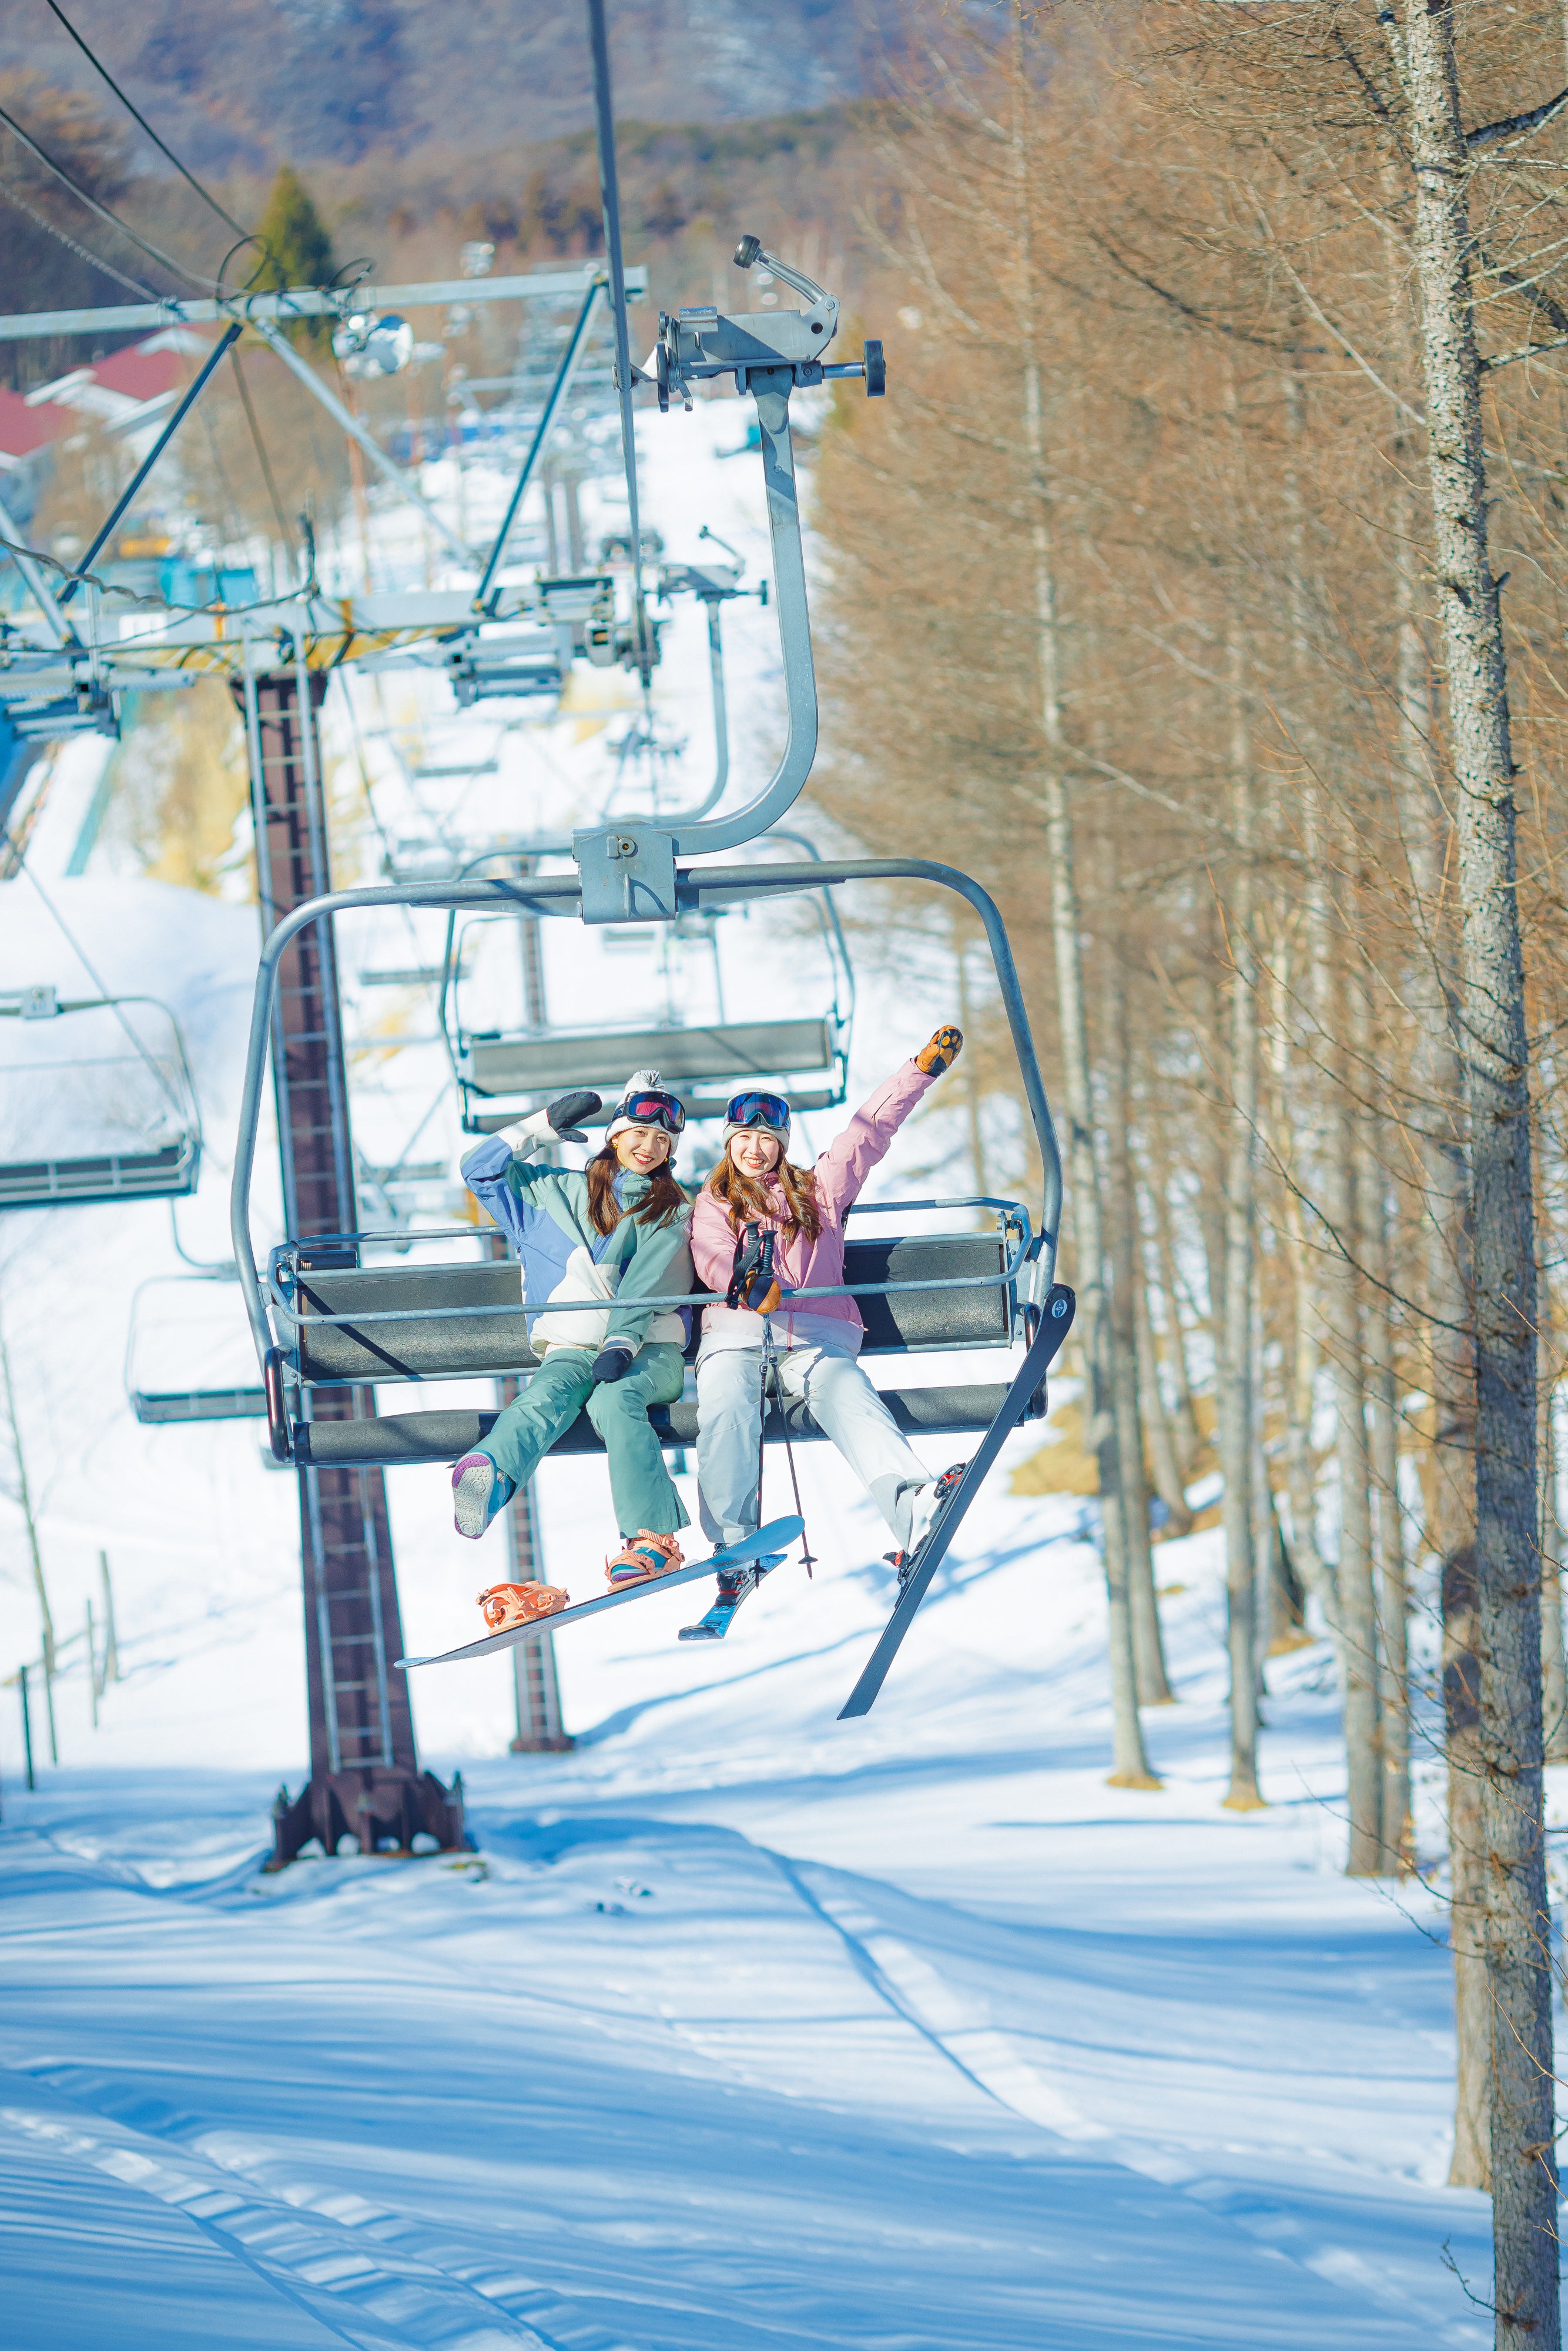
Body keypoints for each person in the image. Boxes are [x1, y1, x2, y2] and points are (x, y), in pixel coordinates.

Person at [690, 1026, 968, 1590]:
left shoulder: (820, 1191)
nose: (755, 1148)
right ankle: (733, 1541)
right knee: (725, 1401)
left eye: (767, 1138)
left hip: (817, 1339)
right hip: (739, 1335)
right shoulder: (714, 1201)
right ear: (728, 1142)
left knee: (848, 1392)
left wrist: (919, 1070)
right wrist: (745, 1281)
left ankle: (913, 1507)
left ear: (783, 1144)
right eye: (744, 1136)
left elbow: (868, 1131)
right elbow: (711, 1256)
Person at [451, 1070, 696, 1632]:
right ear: (614, 1135)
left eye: (662, 1140)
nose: (649, 1146)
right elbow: (477, 1169)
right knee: (548, 1396)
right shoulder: (548, 1192)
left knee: (614, 1402)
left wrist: (622, 1340)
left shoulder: (673, 1209)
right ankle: (488, 1475)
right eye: (639, 1132)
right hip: (571, 1348)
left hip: (647, 1350)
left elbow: (651, 1283)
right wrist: (537, 1128)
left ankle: (651, 1538)